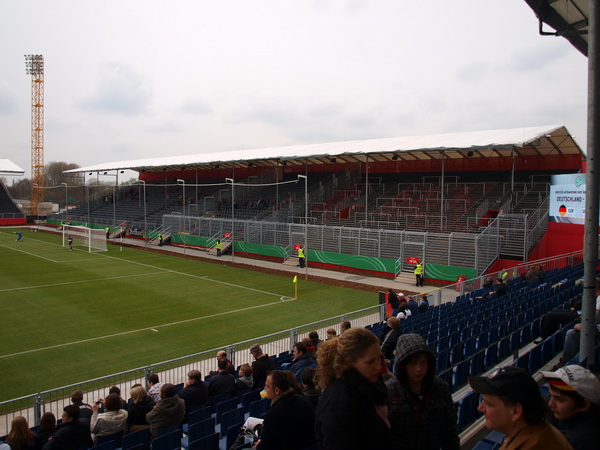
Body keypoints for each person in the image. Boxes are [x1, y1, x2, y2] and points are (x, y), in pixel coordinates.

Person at [314, 327, 393, 449]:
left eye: (379, 358)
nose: (378, 367)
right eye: (370, 362)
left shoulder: (370, 382)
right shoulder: (338, 405)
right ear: (349, 362)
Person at [469, 366, 572, 449]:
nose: (480, 408)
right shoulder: (536, 430)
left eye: (489, 403)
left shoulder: (536, 444)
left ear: (515, 411)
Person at [386, 333, 459, 450]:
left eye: (423, 362)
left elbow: (450, 431)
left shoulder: (441, 387)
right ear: (403, 365)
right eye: (412, 363)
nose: (419, 369)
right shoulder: (389, 391)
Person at [541, 365, 600, 449]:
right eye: (551, 395)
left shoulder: (580, 441)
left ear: (584, 405)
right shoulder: (568, 415)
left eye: (559, 399)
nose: (550, 404)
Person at [253, 370, 316, 450]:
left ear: (276, 391)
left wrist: (258, 446)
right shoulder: (303, 399)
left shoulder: (273, 414)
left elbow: (266, 447)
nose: (264, 388)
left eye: (267, 386)